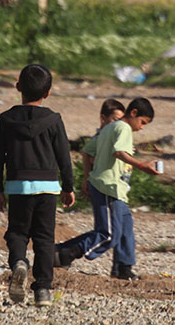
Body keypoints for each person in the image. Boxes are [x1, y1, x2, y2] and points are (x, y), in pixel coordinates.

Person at [0, 64, 75, 307]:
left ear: (18, 88)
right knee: (44, 239)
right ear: (47, 93)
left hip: (17, 187)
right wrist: (68, 187)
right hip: (48, 187)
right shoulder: (54, 120)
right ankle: (43, 291)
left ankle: (18, 262)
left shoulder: (5, 120)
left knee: (17, 232)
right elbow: (64, 157)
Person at [55, 97, 160, 280]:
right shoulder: (123, 128)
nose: (142, 127)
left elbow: (87, 151)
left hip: (114, 188)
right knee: (109, 233)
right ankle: (66, 252)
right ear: (133, 113)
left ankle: (123, 268)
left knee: (126, 228)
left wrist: (87, 178)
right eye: (142, 122)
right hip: (108, 187)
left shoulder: (109, 128)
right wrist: (142, 165)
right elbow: (119, 152)